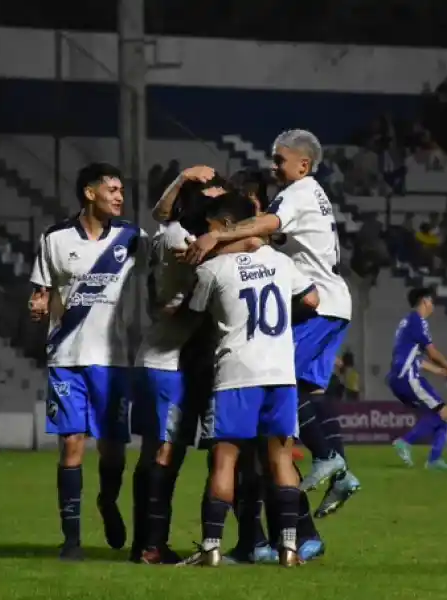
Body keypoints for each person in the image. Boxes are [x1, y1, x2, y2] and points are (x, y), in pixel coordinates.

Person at [184, 129, 359, 519]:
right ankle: (339, 471)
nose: (273, 165)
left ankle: (328, 457)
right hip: (330, 302)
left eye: (279, 160)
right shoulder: (309, 194)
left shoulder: (298, 194)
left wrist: (218, 235)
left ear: (303, 164)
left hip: (319, 302)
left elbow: (266, 227)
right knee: (309, 388)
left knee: (282, 381)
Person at [130, 166, 266, 564]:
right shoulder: (182, 237)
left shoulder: (182, 231)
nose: (219, 208)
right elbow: (250, 244)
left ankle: (152, 543)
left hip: (192, 360)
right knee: (164, 454)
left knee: (191, 453)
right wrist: (251, 233)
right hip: (167, 360)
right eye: (213, 196)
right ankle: (150, 545)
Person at [179, 192, 319, 567]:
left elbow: (194, 319)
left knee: (225, 461)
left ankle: (210, 549)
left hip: (236, 373)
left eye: (209, 229)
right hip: (280, 373)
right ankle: (288, 549)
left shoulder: (212, 271)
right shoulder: (279, 261)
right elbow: (312, 300)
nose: (205, 237)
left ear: (226, 227)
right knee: (282, 460)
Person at [28, 163, 146, 561]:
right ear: (89, 193)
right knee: (71, 444)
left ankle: (107, 501)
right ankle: (71, 540)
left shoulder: (132, 238)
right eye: (111, 189)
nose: (119, 196)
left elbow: (163, 264)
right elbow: (41, 287)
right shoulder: (56, 238)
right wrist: (39, 300)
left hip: (112, 361)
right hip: (66, 357)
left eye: (121, 190)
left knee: (113, 449)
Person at [387, 287, 447, 471]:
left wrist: (441, 371)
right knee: (443, 412)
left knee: (441, 415)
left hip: (397, 378)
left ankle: (434, 460)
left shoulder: (406, 322)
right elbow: (431, 352)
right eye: (431, 301)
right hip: (407, 377)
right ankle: (405, 442)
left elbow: (416, 358)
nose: (433, 305)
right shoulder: (418, 321)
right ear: (424, 301)